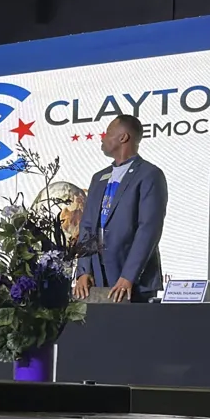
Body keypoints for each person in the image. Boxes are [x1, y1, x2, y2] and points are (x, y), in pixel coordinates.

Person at [73, 114, 168, 303]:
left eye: (108, 134)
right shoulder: (98, 178)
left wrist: (129, 276)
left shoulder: (149, 175)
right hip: (97, 280)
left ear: (123, 138)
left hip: (133, 283)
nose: (102, 138)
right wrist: (84, 270)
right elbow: (87, 225)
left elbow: (148, 229)